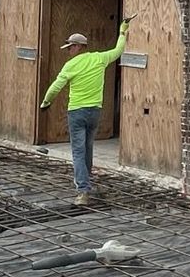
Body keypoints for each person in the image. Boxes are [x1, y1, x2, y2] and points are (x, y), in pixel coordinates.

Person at [40, 16, 132, 203]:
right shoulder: (99, 58)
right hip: (94, 112)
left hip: (77, 113)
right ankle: (87, 181)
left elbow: (56, 87)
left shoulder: (71, 65)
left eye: (71, 47)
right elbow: (119, 49)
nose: (69, 51)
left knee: (78, 151)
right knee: (87, 147)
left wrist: (46, 102)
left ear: (80, 47)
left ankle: (83, 191)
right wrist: (123, 29)